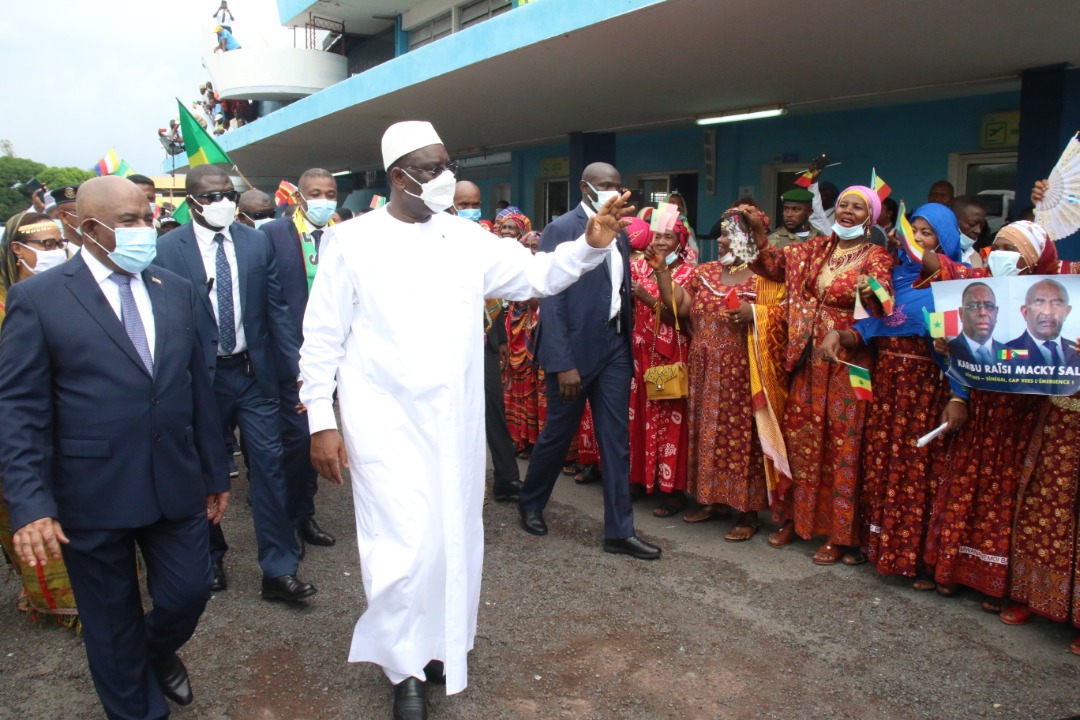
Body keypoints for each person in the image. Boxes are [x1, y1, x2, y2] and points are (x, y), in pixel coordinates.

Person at [298, 120, 636, 720]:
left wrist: (591, 243)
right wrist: (321, 420)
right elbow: (321, 338)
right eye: (431, 168)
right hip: (382, 420)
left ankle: (440, 647)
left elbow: (538, 277)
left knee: (451, 539)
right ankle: (403, 668)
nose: (445, 177)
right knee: (400, 543)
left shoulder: (467, 237)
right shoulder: (350, 242)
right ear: (399, 177)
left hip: (453, 421)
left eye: (447, 163)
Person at [0, 176, 230, 719]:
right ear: (87, 227)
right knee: (108, 616)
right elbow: (20, 411)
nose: (143, 229)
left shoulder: (175, 289)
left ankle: (150, 649)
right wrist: (31, 503)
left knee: (188, 593)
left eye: (147, 217)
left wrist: (215, 473)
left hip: (174, 480)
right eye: (128, 221)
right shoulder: (38, 299)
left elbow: (198, 387)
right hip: (89, 491)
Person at [155, 165, 314, 601]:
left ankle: (278, 569)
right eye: (211, 197)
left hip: (252, 375)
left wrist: (298, 372)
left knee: (269, 466)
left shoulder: (255, 242)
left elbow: (277, 310)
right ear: (191, 203)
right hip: (197, 381)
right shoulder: (167, 250)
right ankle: (210, 556)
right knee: (202, 470)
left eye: (228, 194)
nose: (223, 203)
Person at [517, 161, 661, 562]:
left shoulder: (621, 229)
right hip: (574, 351)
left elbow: (617, 284)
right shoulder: (563, 228)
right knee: (558, 434)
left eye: (617, 184)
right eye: (604, 185)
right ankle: (531, 500)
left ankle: (620, 531)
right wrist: (562, 362)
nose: (613, 191)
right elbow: (551, 295)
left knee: (615, 439)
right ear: (584, 187)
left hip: (614, 344)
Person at [821, 202, 966, 587]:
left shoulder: (958, 284)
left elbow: (961, 348)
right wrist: (841, 334)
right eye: (913, 230)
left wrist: (958, 396)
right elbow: (868, 329)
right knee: (882, 465)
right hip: (885, 388)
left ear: (946, 239)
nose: (917, 239)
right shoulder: (893, 278)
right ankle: (880, 549)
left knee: (920, 472)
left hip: (926, 392)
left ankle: (919, 560)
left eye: (927, 233)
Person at [749, 185, 894, 565]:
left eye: (856, 207)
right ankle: (795, 519)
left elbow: (888, 304)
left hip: (850, 366)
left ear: (870, 216)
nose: (846, 212)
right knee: (801, 440)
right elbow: (772, 266)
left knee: (843, 447)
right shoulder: (815, 249)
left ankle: (839, 533)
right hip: (809, 361)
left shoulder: (877, 256)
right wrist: (760, 233)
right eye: (843, 205)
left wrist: (871, 286)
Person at [921, 221, 1056, 604]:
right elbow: (950, 341)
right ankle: (951, 569)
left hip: (1025, 417)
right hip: (980, 411)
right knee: (964, 488)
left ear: (1033, 259)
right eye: (994, 245)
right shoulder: (974, 289)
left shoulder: (1054, 298)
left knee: (1011, 498)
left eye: (1010, 249)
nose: (998, 253)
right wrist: (954, 381)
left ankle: (999, 583)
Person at [682, 207, 788, 540]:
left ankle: (747, 511)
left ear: (753, 238)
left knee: (742, 439)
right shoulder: (704, 272)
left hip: (744, 371)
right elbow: (679, 310)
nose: (723, 240)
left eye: (732, 234)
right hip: (704, 368)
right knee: (707, 432)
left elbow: (789, 315)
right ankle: (713, 499)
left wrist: (755, 313)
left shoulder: (767, 277)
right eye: (723, 233)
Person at [0, 212, 79, 629]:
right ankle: (47, 598)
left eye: (59, 243)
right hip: (20, 429)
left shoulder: (66, 293)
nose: (56, 252)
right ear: (18, 250)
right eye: (46, 245)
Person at [260, 169, 338, 549]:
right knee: (293, 443)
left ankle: (305, 514)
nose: (323, 200)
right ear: (299, 198)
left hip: (333, 356)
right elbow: (270, 303)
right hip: (291, 358)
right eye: (315, 193)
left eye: (330, 193)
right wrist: (295, 364)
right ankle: (287, 520)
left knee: (318, 433)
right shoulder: (273, 235)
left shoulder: (342, 236)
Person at [457, 179, 521, 501]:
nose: (470, 210)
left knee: (493, 407)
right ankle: (461, 485)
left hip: (483, 341)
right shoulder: (438, 239)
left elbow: (493, 297)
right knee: (455, 415)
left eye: (474, 204)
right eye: (463, 204)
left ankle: (507, 480)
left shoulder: (486, 242)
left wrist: (499, 340)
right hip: (448, 343)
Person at [628, 209, 694, 516]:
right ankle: (640, 479)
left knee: (670, 423)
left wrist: (644, 297)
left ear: (680, 241)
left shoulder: (688, 274)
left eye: (669, 236)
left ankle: (673, 492)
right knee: (640, 418)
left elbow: (677, 319)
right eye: (658, 236)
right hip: (641, 353)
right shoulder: (639, 268)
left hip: (670, 355)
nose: (662, 242)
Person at [503, 230, 545, 457]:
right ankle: (521, 438)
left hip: (538, 340)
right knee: (518, 389)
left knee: (538, 391)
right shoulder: (514, 270)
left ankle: (540, 443)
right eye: (527, 246)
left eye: (537, 246)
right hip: (516, 336)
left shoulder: (547, 273)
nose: (532, 250)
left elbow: (539, 302)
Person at [1005, 278, 1078, 369]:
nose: (1048, 312)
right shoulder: (1006, 351)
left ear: (1066, 312)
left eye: (1057, 304)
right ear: (1025, 312)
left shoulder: (1076, 351)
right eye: (1039, 303)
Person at [945, 282, 1007, 365]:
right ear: (961, 313)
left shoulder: (1007, 353)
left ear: (996, 313)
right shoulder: (947, 349)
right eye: (973, 306)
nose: (982, 313)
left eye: (988, 306)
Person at [952, 195, 989, 265]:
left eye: (982, 226)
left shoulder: (975, 258)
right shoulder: (935, 253)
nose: (978, 231)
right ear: (953, 220)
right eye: (971, 224)